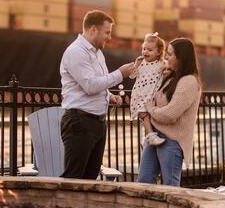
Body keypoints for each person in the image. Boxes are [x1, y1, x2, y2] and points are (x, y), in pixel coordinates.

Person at [59, 10, 136, 179]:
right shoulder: (76, 52)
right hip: (79, 123)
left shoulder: (97, 53)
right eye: (107, 32)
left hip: (97, 124)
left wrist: (109, 96)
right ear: (93, 29)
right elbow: (89, 85)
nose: (110, 37)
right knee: (74, 177)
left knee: (90, 178)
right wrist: (120, 74)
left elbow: (98, 82)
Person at [137, 38, 202, 186]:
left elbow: (170, 114)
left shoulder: (189, 81)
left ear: (181, 58)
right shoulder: (169, 78)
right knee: (143, 182)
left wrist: (150, 109)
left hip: (172, 141)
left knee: (170, 186)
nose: (166, 57)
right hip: (154, 136)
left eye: (170, 54)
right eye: (167, 53)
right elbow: (149, 94)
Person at [129, 32, 167, 147]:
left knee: (150, 118)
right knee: (145, 115)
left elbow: (168, 70)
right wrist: (136, 65)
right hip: (140, 96)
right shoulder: (141, 64)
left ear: (159, 52)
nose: (145, 52)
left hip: (152, 97)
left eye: (149, 50)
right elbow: (131, 76)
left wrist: (166, 67)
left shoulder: (160, 64)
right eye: (144, 49)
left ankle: (146, 139)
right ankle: (150, 135)